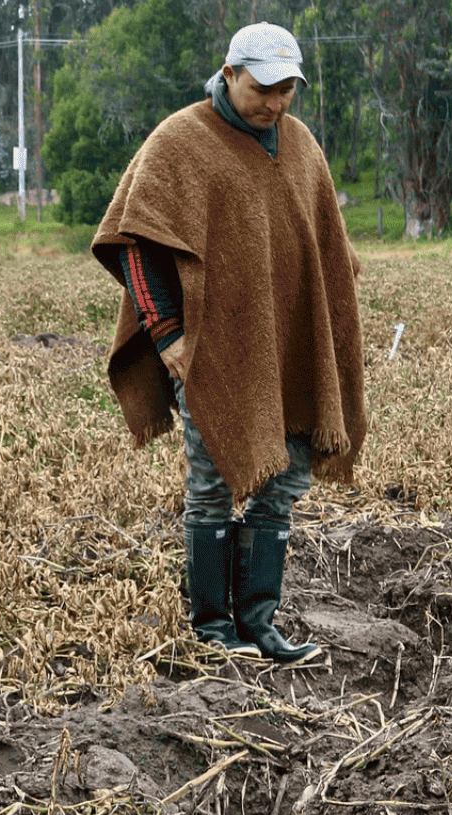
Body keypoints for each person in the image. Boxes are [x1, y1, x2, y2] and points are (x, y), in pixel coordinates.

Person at [90, 22, 366, 663]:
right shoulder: (180, 141)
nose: (274, 102)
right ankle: (213, 629)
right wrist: (166, 334)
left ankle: (260, 624)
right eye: (262, 88)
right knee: (213, 485)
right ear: (230, 73)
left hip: (287, 349)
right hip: (211, 350)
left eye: (286, 89)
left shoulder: (300, 145)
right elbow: (134, 242)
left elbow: (326, 246)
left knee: (283, 483)